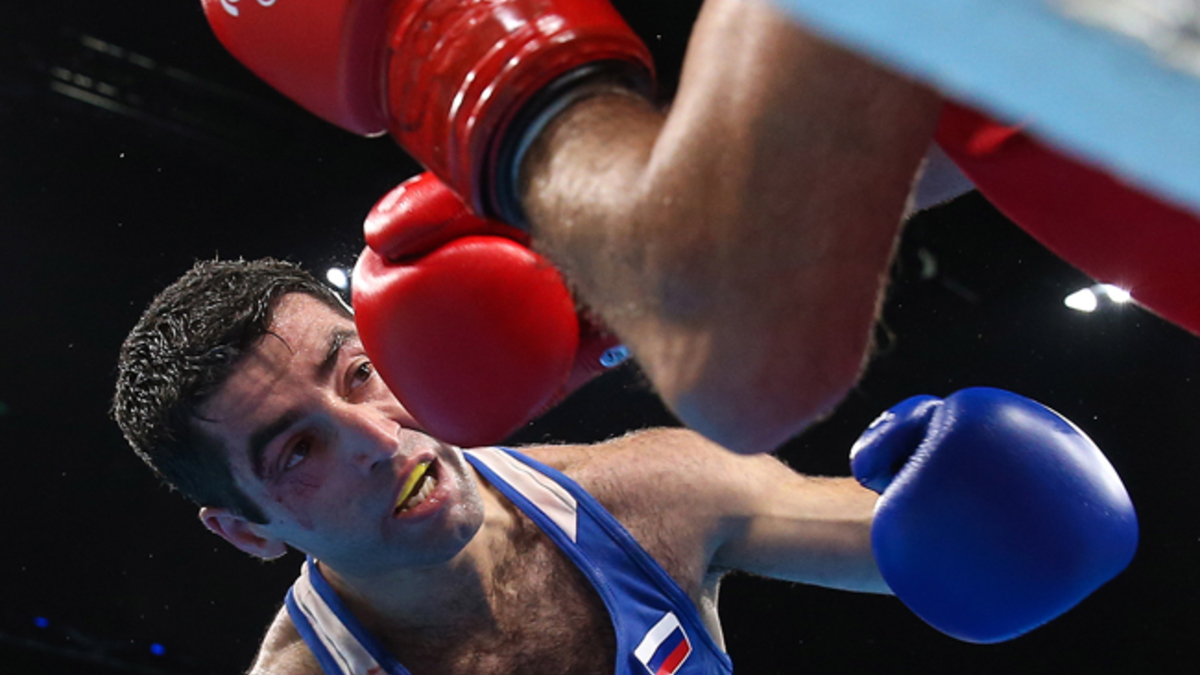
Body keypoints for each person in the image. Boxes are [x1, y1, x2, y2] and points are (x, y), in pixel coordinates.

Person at [112, 259, 1137, 674]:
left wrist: (974, 503)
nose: (382, 438)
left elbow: (933, 548)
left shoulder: (647, 492)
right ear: (245, 530)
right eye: (298, 449)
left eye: (361, 373)